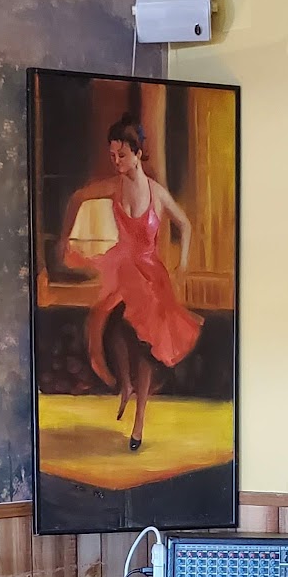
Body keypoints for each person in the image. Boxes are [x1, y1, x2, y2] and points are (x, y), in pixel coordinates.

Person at [55, 114, 201, 451]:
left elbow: (185, 225)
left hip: (149, 274)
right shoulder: (114, 186)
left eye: (121, 155)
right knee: (112, 327)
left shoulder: (156, 192)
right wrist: (64, 237)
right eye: (112, 155)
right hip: (122, 267)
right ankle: (125, 385)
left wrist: (182, 263)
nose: (116, 161)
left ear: (137, 153)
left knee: (145, 344)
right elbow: (77, 198)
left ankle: (139, 419)